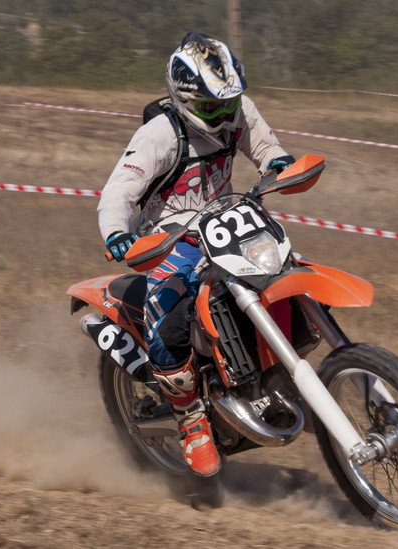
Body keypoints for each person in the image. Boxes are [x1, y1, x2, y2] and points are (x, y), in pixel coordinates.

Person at [97, 32, 294, 477]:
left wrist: (277, 162)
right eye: (211, 108)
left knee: (287, 269)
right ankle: (191, 421)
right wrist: (116, 234)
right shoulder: (159, 135)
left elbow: (265, 147)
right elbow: (118, 192)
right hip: (171, 238)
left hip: (231, 223)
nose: (224, 116)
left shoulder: (238, 110)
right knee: (167, 319)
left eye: (228, 104)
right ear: (184, 100)